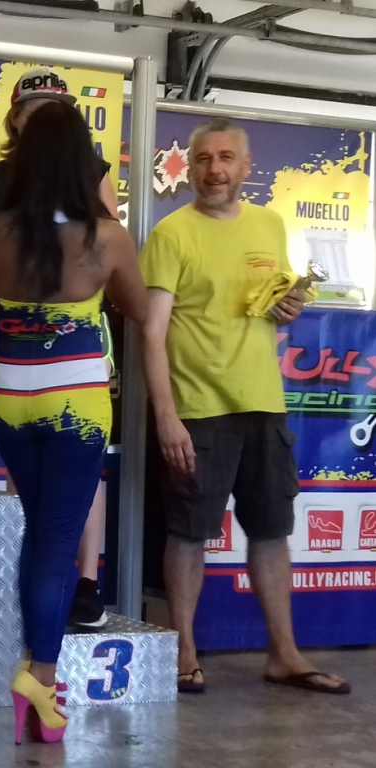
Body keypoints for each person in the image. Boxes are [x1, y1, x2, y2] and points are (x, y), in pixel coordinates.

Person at [0, 101, 147, 743]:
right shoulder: (106, 237)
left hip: (11, 396)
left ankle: (36, 673)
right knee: (57, 541)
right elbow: (138, 308)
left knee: (40, 534)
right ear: (81, 165)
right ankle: (40, 676)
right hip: (77, 404)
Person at [139, 117, 350, 696]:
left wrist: (289, 307)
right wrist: (166, 416)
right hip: (199, 408)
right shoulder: (171, 234)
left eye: (226, 158)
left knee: (272, 531)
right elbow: (151, 333)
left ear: (247, 167)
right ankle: (184, 651)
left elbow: (274, 305)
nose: (215, 170)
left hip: (263, 403)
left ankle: (284, 655)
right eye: (204, 159)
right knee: (188, 533)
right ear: (190, 167)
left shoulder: (269, 225)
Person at [0, 65, 119, 627]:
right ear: (15, 120)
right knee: (26, 462)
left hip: (81, 338)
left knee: (83, 463)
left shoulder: (93, 173)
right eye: (34, 111)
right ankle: (28, 584)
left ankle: (86, 583)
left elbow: (110, 250)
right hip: (19, 339)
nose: (45, 119)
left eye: (56, 110)